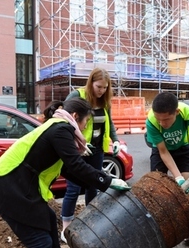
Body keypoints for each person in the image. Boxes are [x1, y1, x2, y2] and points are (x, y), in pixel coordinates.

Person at [0, 98, 130, 248]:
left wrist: (96, 184)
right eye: (86, 121)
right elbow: (76, 165)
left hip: (17, 184)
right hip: (9, 186)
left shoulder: (57, 127)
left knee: (49, 219)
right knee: (41, 243)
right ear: (75, 116)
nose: (85, 126)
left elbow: (66, 169)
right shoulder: (61, 129)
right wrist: (108, 181)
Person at [60, 67, 120, 242]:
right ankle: (65, 230)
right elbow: (64, 119)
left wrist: (114, 140)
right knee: (73, 188)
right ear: (91, 82)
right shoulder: (77, 96)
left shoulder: (104, 100)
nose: (101, 91)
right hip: (78, 150)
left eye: (105, 87)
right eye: (98, 86)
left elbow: (109, 121)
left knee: (93, 186)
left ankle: (90, 223)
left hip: (96, 150)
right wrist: (77, 144)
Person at [146, 92, 189, 247]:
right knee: (154, 188)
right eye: (159, 119)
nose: (162, 123)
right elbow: (163, 152)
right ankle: (159, 224)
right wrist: (177, 177)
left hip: (184, 148)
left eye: (166, 119)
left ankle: (188, 225)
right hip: (161, 150)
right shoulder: (151, 120)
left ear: (176, 112)